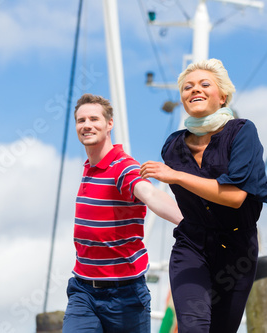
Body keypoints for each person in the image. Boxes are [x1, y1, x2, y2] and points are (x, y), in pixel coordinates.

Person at [140, 59, 267, 333]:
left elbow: (235, 196)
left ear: (222, 96)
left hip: (237, 250)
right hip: (192, 245)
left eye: (204, 84)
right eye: (187, 87)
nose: (194, 90)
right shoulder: (173, 147)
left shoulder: (242, 132)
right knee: (194, 327)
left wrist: (176, 176)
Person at [62, 93, 183, 333]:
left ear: (109, 124)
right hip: (83, 290)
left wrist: (191, 223)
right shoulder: (90, 167)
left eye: (94, 119)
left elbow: (149, 194)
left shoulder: (122, 166)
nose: (86, 125)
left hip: (124, 294)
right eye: (81, 120)